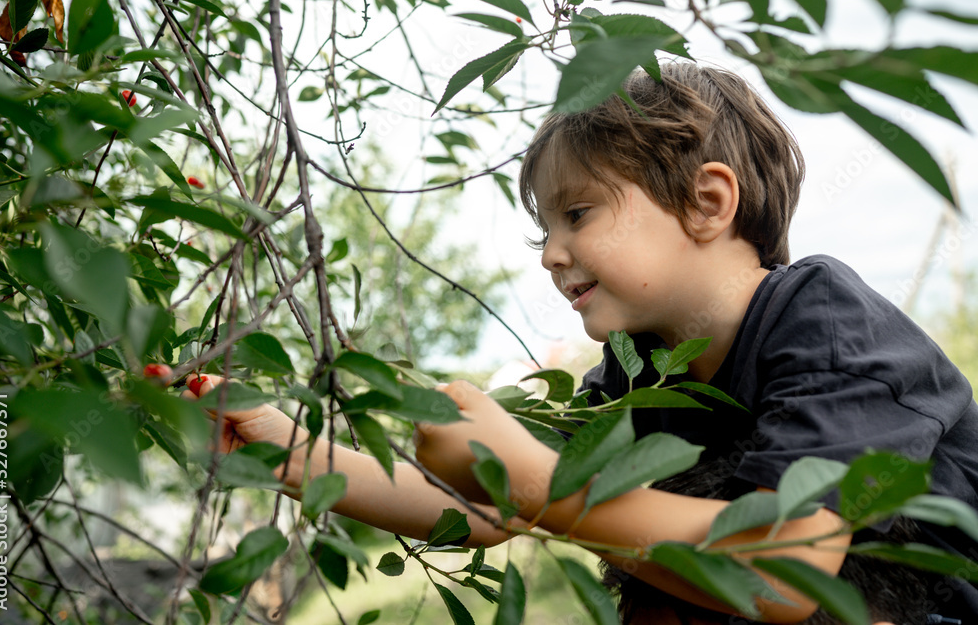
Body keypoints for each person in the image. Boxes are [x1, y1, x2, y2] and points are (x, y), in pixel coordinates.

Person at [183, 63, 978, 624]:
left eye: (578, 214)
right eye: (544, 228)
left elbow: (785, 571)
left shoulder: (823, 318)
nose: (550, 253)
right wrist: (288, 454)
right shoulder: (636, 369)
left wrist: (539, 485)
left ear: (706, 200)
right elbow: (482, 506)